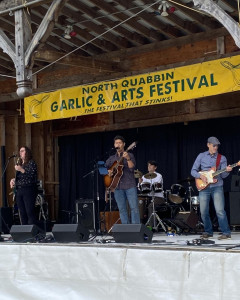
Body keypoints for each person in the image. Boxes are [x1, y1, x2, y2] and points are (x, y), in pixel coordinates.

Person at [191, 137, 232, 240]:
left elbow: (223, 176)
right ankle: (208, 232)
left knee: (220, 210)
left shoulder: (222, 158)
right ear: (208, 145)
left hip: (217, 186)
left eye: (217, 145)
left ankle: (226, 233)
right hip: (204, 187)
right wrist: (201, 176)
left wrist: (227, 171)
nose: (216, 147)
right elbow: (193, 171)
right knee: (204, 211)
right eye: (214, 145)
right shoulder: (201, 156)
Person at [105, 135, 140, 224]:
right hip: (117, 187)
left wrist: (127, 158)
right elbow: (104, 168)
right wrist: (108, 171)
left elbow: (132, 168)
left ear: (124, 144)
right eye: (116, 143)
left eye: (120, 143)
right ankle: (126, 230)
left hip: (129, 185)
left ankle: (135, 229)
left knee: (134, 208)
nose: (118, 144)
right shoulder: (111, 158)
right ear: (114, 145)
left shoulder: (130, 154)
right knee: (122, 209)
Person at [10, 146, 38, 225]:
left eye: (22, 151)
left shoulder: (31, 163)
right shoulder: (20, 164)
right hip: (19, 190)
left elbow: (31, 175)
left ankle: (32, 232)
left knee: (29, 211)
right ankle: (24, 232)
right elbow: (21, 178)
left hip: (28, 189)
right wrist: (13, 180)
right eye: (20, 151)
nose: (20, 153)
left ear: (27, 152)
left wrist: (21, 169)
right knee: (22, 212)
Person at [139, 160, 164, 227]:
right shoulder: (144, 176)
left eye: (151, 165)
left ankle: (151, 226)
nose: (149, 167)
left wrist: (147, 185)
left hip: (158, 197)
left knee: (150, 206)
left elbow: (155, 187)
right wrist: (140, 182)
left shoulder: (159, 176)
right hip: (148, 197)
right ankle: (140, 225)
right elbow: (140, 188)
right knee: (140, 204)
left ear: (155, 167)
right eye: (148, 165)